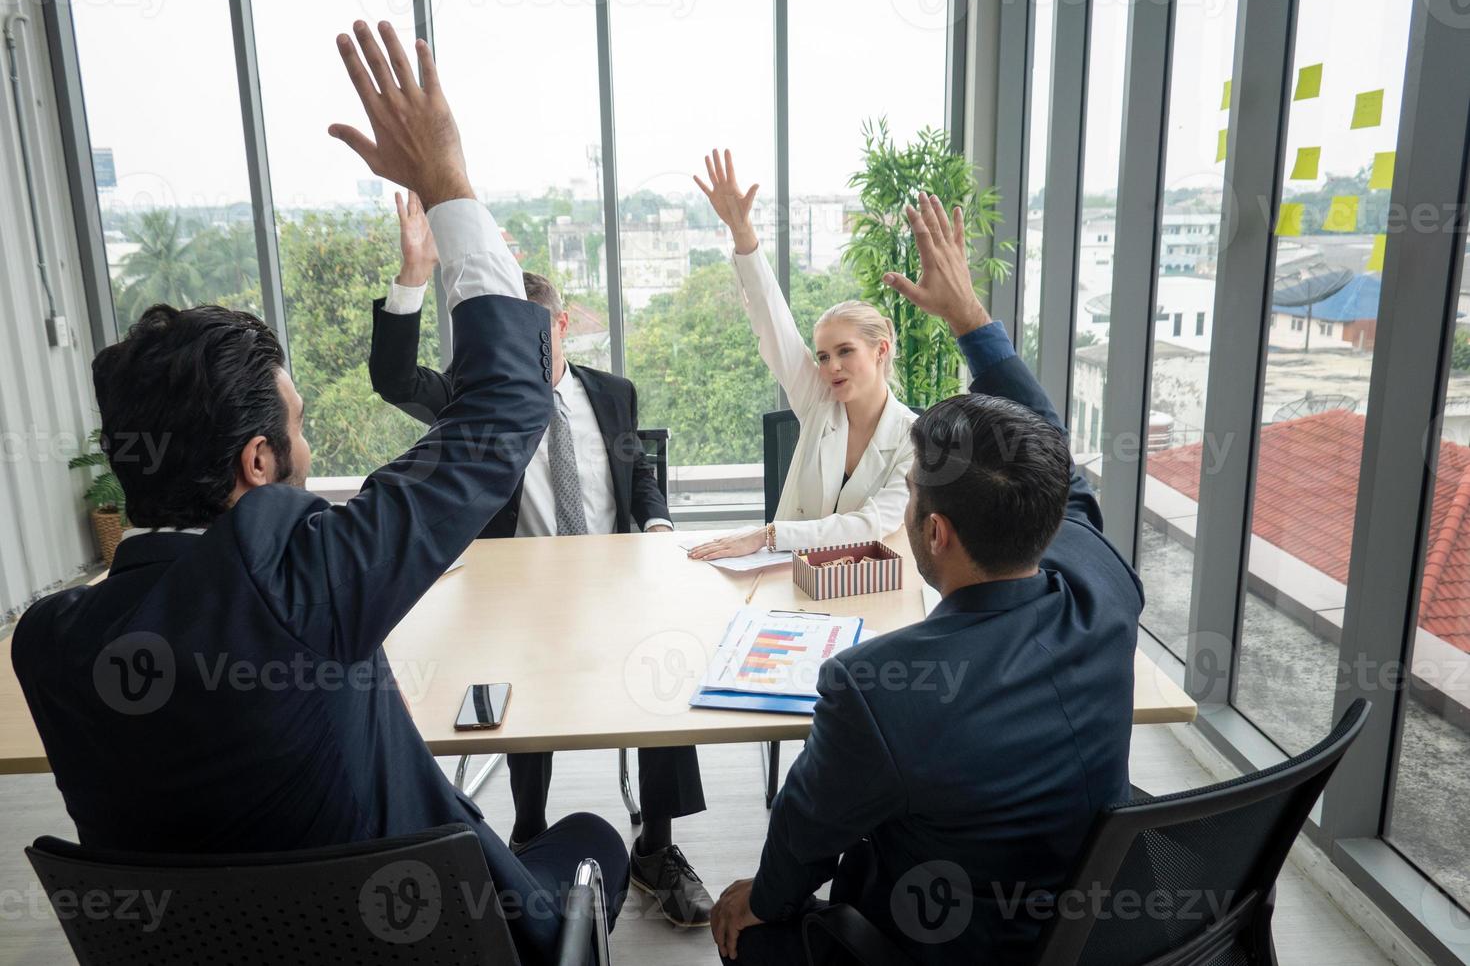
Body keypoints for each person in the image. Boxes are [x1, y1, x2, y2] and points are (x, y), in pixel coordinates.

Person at [12, 22, 626, 965]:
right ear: (258, 464)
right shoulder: (300, 581)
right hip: (428, 940)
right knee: (591, 843)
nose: (310, 442)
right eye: (298, 426)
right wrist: (449, 183)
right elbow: (504, 408)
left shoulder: (47, 644)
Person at [708, 195, 1143, 965]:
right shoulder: (1106, 587)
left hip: (927, 946)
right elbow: (1059, 466)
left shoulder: (875, 690)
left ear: (931, 531)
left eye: (909, 492)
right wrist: (971, 317)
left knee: (751, 931)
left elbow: (801, 845)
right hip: (1084, 931)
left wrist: (757, 902)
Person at [368, 196, 713, 928]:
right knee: (516, 674)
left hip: (620, 592)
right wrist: (412, 277)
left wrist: (655, 519)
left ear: (556, 325)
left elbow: (635, 474)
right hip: (517, 601)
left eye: (523, 342)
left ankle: (657, 846)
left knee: (669, 674)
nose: (507, 362)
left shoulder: (612, 394)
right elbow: (395, 379)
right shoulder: (476, 405)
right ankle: (529, 833)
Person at [687, 149, 917, 562]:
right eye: (823, 356)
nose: (831, 367)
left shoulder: (916, 437)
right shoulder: (819, 400)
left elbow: (874, 523)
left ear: (880, 349)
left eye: (845, 351)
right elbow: (771, 322)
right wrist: (743, 233)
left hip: (859, 585)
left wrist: (767, 535)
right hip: (784, 574)